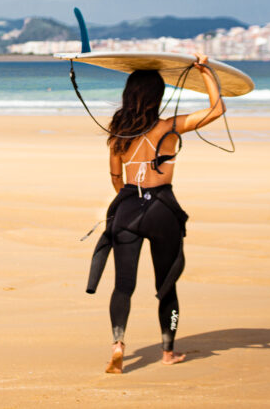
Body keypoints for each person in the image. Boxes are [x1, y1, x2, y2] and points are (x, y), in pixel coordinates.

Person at [93, 53, 224, 374]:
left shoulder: (117, 131)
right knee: (166, 285)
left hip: (127, 206)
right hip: (162, 209)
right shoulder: (169, 127)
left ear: (128, 95)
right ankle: (168, 350)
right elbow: (217, 109)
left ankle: (118, 343)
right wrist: (205, 71)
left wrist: (128, 202)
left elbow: (115, 177)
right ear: (158, 97)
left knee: (123, 285)